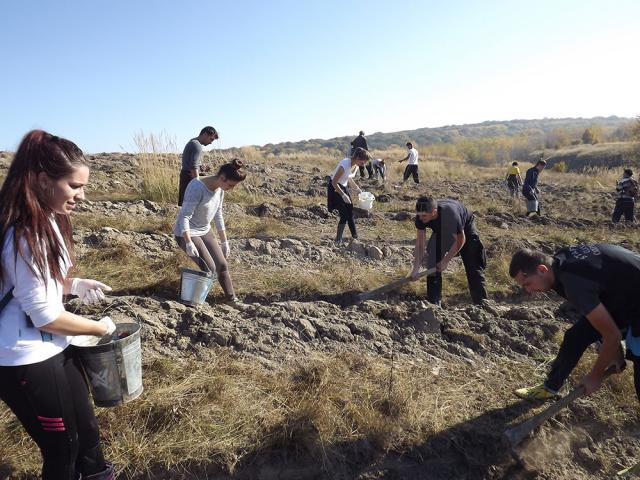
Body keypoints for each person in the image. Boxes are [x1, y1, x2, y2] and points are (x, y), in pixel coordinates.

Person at [0, 130, 116, 479]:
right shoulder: (25, 231)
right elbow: (46, 316)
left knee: (87, 433)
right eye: (74, 186)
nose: (82, 195)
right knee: (62, 449)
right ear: (41, 180)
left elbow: (33, 284)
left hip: (55, 347)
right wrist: (100, 329)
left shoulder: (50, 217)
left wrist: (73, 284)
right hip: (23, 358)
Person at [510, 244, 640, 401]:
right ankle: (549, 388)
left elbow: (612, 335)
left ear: (542, 270)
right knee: (576, 337)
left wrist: (595, 376)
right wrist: (615, 353)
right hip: (625, 297)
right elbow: (600, 311)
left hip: (634, 302)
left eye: (527, 284)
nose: (528, 291)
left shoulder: (574, 283)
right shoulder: (560, 262)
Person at [175, 159, 246, 304]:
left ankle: (231, 300)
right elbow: (185, 216)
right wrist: (188, 242)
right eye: (230, 185)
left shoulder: (220, 189)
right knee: (210, 268)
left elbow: (218, 214)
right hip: (187, 231)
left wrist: (225, 241)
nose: (231, 188)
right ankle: (190, 300)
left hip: (204, 230)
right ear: (222, 178)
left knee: (222, 265)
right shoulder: (196, 187)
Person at [409, 196, 488, 305]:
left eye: (424, 216)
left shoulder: (450, 215)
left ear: (434, 212)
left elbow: (461, 239)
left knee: (473, 265)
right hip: (441, 231)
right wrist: (416, 269)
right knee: (433, 260)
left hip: (465, 231)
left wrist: (446, 260)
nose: (421, 218)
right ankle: (434, 304)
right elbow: (420, 244)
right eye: (419, 215)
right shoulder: (421, 215)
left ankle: (482, 304)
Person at [327, 147, 371, 244]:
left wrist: (358, 190)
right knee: (344, 215)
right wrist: (343, 195)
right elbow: (334, 182)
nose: (363, 164)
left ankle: (355, 237)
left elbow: (349, 178)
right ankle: (338, 240)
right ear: (358, 158)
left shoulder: (353, 164)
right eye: (363, 162)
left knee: (350, 212)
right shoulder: (345, 164)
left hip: (342, 186)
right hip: (335, 188)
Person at [178, 126, 219, 206]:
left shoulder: (192, 142)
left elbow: (191, 163)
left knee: (186, 207)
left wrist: (201, 168)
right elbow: (193, 167)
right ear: (205, 134)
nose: (211, 142)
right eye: (211, 139)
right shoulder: (197, 146)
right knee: (191, 208)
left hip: (186, 175)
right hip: (190, 177)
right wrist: (197, 186)